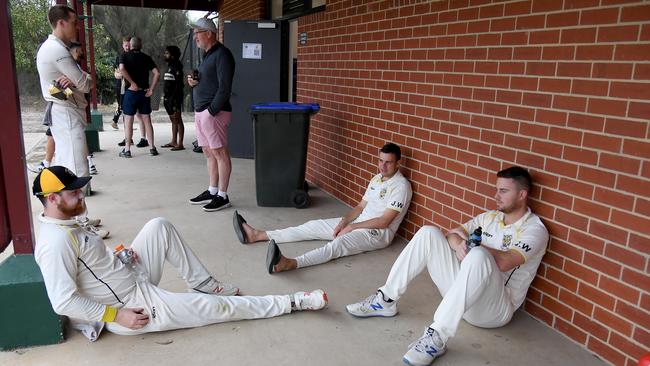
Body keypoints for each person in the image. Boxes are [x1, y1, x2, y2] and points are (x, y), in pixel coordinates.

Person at [32, 166, 328, 336]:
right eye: (73, 192)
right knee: (216, 310)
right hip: (129, 305)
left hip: (130, 275)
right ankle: (291, 302)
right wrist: (116, 315)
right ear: (54, 199)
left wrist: (120, 257)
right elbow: (62, 301)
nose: (81, 194)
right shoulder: (54, 243)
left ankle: (203, 283)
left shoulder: (68, 220)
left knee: (158, 226)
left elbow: (92, 263)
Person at [345, 166, 548, 366]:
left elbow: (505, 262)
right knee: (428, 232)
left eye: (503, 191)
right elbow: (451, 234)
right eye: (496, 189)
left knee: (478, 254)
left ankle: (437, 337)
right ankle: (385, 300)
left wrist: (472, 244)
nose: (496, 195)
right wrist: (460, 243)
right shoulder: (490, 218)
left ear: (522, 194)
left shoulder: (534, 229)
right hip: (464, 293)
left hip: (494, 309)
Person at [233, 143, 412, 274]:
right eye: (380, 160)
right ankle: (257, 235)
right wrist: (344, 221)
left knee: (338, 245)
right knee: (311, 226)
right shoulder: (377, 178)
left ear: (398, 164)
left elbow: (384, 222)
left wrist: (351, 228)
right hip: (359, 223)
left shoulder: (401, 186)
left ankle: (289, 264)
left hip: (377, 234)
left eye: (388, 162)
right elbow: (359, 207)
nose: (382, 166)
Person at [36, 5, 91, 179]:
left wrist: (79, 80)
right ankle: (75, 206)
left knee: (67, 165)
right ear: (61, 23)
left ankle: (68, 205)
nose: (77, 27)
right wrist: (83, 79)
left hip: (65, 111)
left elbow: (81, 82)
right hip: (66, 113)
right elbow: (85, 85)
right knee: (77, 170)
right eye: (74, 23)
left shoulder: (54, 48)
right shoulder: (57, 50)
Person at [187, 17, 235, 212]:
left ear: (209, 33)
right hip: (203, 112)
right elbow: (209, 82)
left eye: (197, 33)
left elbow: (225, 88)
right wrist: (193, 82)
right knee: (209, 153)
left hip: (214, 113)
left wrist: (210, 112)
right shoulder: (207, 55)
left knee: (220, 153)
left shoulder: (223, 54)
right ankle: (212, 190)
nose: (195, 37)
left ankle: (223, 195)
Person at [31, 42, 97, 176]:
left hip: (71, 111)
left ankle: (49, 165)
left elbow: (89, 81)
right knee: (63, 149)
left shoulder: (71, 67)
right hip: (60, 109)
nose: (79, 55)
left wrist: (74, 82)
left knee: (72, 156)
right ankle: (48, 164)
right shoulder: (56, 67)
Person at [119, 36, 160, 158]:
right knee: (147, 119)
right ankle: (152, 147)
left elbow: (121, 69)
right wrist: (151, 89)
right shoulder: (146, 57)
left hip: (131, 92)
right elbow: (157, 73)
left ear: (130, 45)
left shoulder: (124, 56)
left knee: (128, 120)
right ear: (140, 46)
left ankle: (127, 150)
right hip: (144, 93)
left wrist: (131, 82)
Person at [161, 45, 185, 151]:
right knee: (173, 120)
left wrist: (173, 98)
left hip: (175, 98)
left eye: (167, 53)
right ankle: (173, 141)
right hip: (168, 98)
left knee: (178, 119)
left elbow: (179, 85)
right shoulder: (169, 66)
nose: (164, 55)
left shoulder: (177, 67)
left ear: (173, 56)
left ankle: (180, 144)